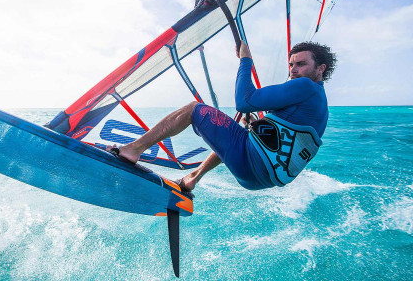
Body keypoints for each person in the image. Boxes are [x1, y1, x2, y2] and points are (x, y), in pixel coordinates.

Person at [109, 41, 336, 195]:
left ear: (320, 69)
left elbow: (245, 100)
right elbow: (286, 138)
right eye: (291, 64)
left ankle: (133, 149)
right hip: (261, 179)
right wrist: (254, 125)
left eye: (301, 64)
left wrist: (245, 60)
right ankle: (193, 178)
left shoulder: (306, 86)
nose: (293, 70)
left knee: (193, 109)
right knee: (235, 132)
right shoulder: (319, 104)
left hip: (252, 162)